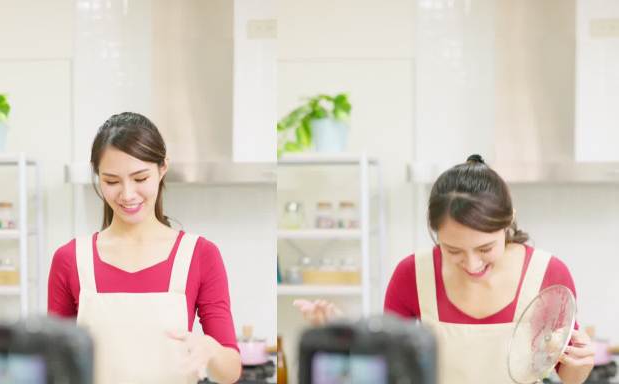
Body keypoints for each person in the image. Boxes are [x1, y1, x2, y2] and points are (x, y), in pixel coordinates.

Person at [295, 154, 594, 384]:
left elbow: (567, 373)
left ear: (508, 221)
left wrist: (579, 365)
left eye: (485, 248)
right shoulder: (412, 274)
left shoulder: (547, 274)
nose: (472, 264)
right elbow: (385, 366)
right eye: (453, 251)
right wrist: (346, 339)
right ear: (436, 233)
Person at [48, 112, 241, 384]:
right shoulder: (70, 260)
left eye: (140, 178)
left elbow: (230, 371)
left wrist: (210, 349)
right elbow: (54, 365)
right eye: (112, 181)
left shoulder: (199, 255)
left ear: (163, 168)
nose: (127, 194)